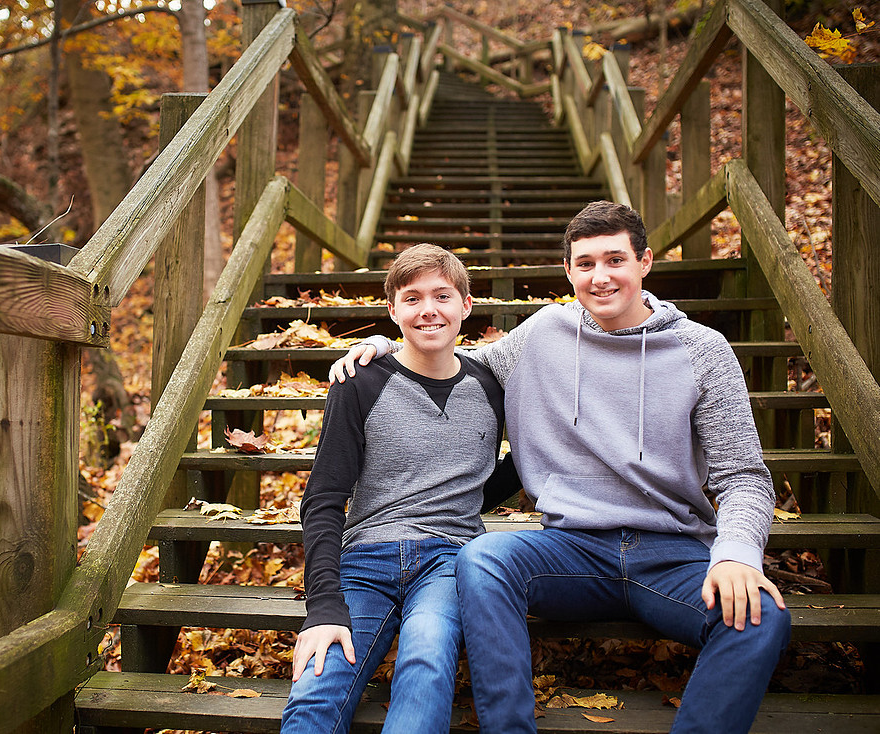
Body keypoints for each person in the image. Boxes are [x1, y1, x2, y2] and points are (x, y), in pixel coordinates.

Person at [331, 201, 791, 733]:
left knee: (762, 619)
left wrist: (737, 554)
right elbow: (452, 361)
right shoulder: (544, 331)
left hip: (673, 553)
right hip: (569, 549)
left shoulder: (702, 350)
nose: (601, 277)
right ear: (568, 271)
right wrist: (385, 346)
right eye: (586, 263)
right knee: (481, 559)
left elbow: (744, 477)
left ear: (644, 263)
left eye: (615, 259)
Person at [281, 244, 512, 733]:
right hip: (364, 559)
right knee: (316, 688)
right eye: (412, 298)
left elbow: (485, 481)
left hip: (449, 560)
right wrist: (323, 604)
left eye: (442, 296)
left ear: (466, 306)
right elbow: (323, 500)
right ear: (393, 311)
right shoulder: (359, 380)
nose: (428, 310)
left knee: (426, 663)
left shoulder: (491, 386)